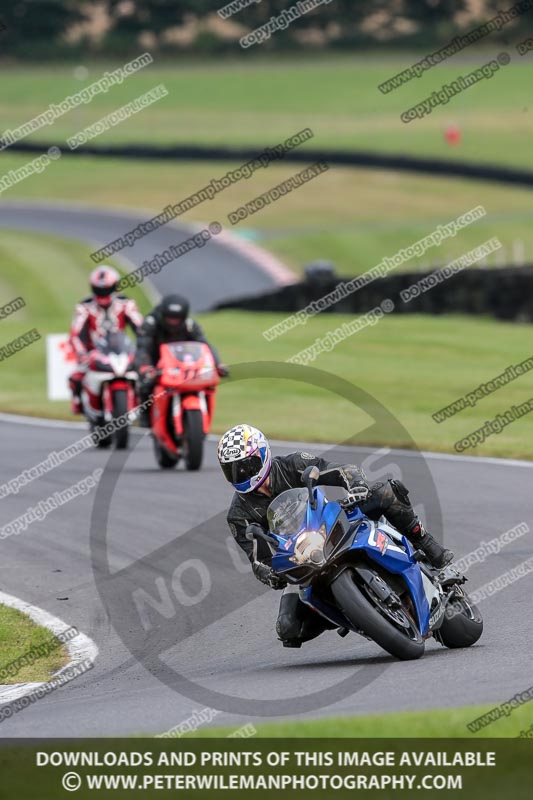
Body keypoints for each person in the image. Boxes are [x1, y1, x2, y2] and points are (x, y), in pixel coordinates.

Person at [218, 423, 454, 648]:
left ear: (263, 454)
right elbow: (258, 559)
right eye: (232, 470)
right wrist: (269, 574)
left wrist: (357, 484)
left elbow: (342, 470)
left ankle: (427, 544)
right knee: (288, 628)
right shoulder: (238, 515)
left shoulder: (292, 464)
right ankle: (350, 611)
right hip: (299, 558)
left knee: (384, 492)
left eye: (245, 466)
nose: (240, 474)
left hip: (332, 521)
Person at [134, 293, 228, 427]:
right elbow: (142, 348)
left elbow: (205, 345)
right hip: (156, 362)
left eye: (177, 319)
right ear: (163, 315)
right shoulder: (151, 324)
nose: (173, 322)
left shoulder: (190, 325)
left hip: (181, 363)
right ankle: (146, 416)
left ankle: (200, 415)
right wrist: (146, 366)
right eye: (170, 318)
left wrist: (218, 364)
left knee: (206, 385)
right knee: (146, 384)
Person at [68, 266, 143, 414]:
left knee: (146, 374)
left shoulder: (126, 304)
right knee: (76, 377)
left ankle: (143, 407)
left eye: (106, 289)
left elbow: (141, 329)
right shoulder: (84, 307)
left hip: (121, 349)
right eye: (99, 290)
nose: (103, 294)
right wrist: (82, 353)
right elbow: (76, 334)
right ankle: (80, 404)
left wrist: (143, 349)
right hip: (94, 353)